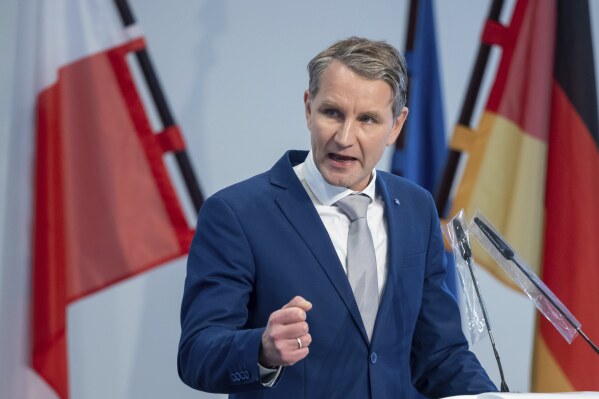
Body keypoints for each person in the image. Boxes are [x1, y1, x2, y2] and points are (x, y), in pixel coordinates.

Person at [178, 37, 497, 398]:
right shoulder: (237, 214)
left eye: (367, 119)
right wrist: (262, 349)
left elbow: (439, 355)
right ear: (308, 107)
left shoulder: (415, 207)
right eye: (332, 112)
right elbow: (196, 353)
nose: (345, 137)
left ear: (396, 125)